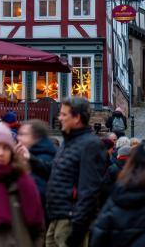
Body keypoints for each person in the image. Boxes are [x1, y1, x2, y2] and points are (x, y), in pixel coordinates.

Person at [46, 97, 107, 247]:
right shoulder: (68, 142)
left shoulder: (90, 145)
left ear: (77, 118)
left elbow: (89, 190)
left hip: (71, 220)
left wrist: (78, 228)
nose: (59, 118)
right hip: (58, 216)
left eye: (64, 115)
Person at [17, 119, 57, 214]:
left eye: (23, 134)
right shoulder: (29, 154)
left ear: (36, 137)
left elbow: (38, 192)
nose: (18, 138)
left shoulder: (45, 156)